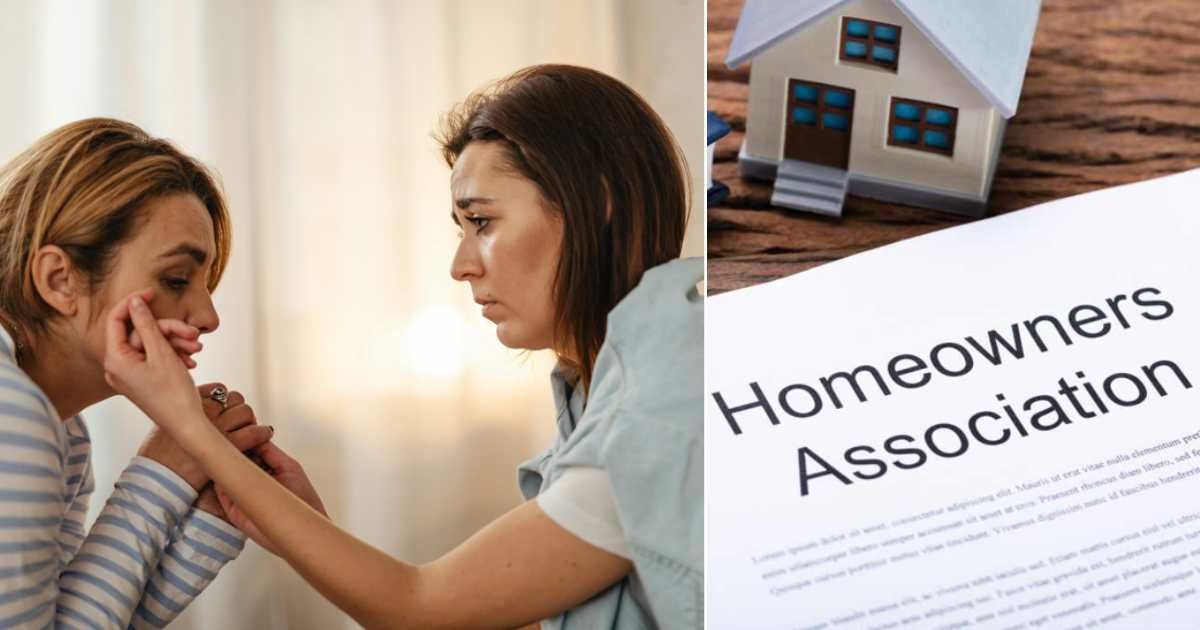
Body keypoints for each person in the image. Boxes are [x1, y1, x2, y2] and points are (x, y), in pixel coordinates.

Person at [105, 64, 703, 629]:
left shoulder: (662, 393)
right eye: (461, 228)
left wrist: (190, 429)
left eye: (483, 222)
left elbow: (420, 608)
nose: (461, 265)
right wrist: (303, 523)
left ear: (595, 205)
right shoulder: (598, 389)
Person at [0, 118, 274, 627]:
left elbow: (71, 619)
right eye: (176, 278)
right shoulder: (13, 415)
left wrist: (206, 518)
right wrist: (164, 470)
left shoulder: (65, 433)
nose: (209, 317)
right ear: (60, 280)